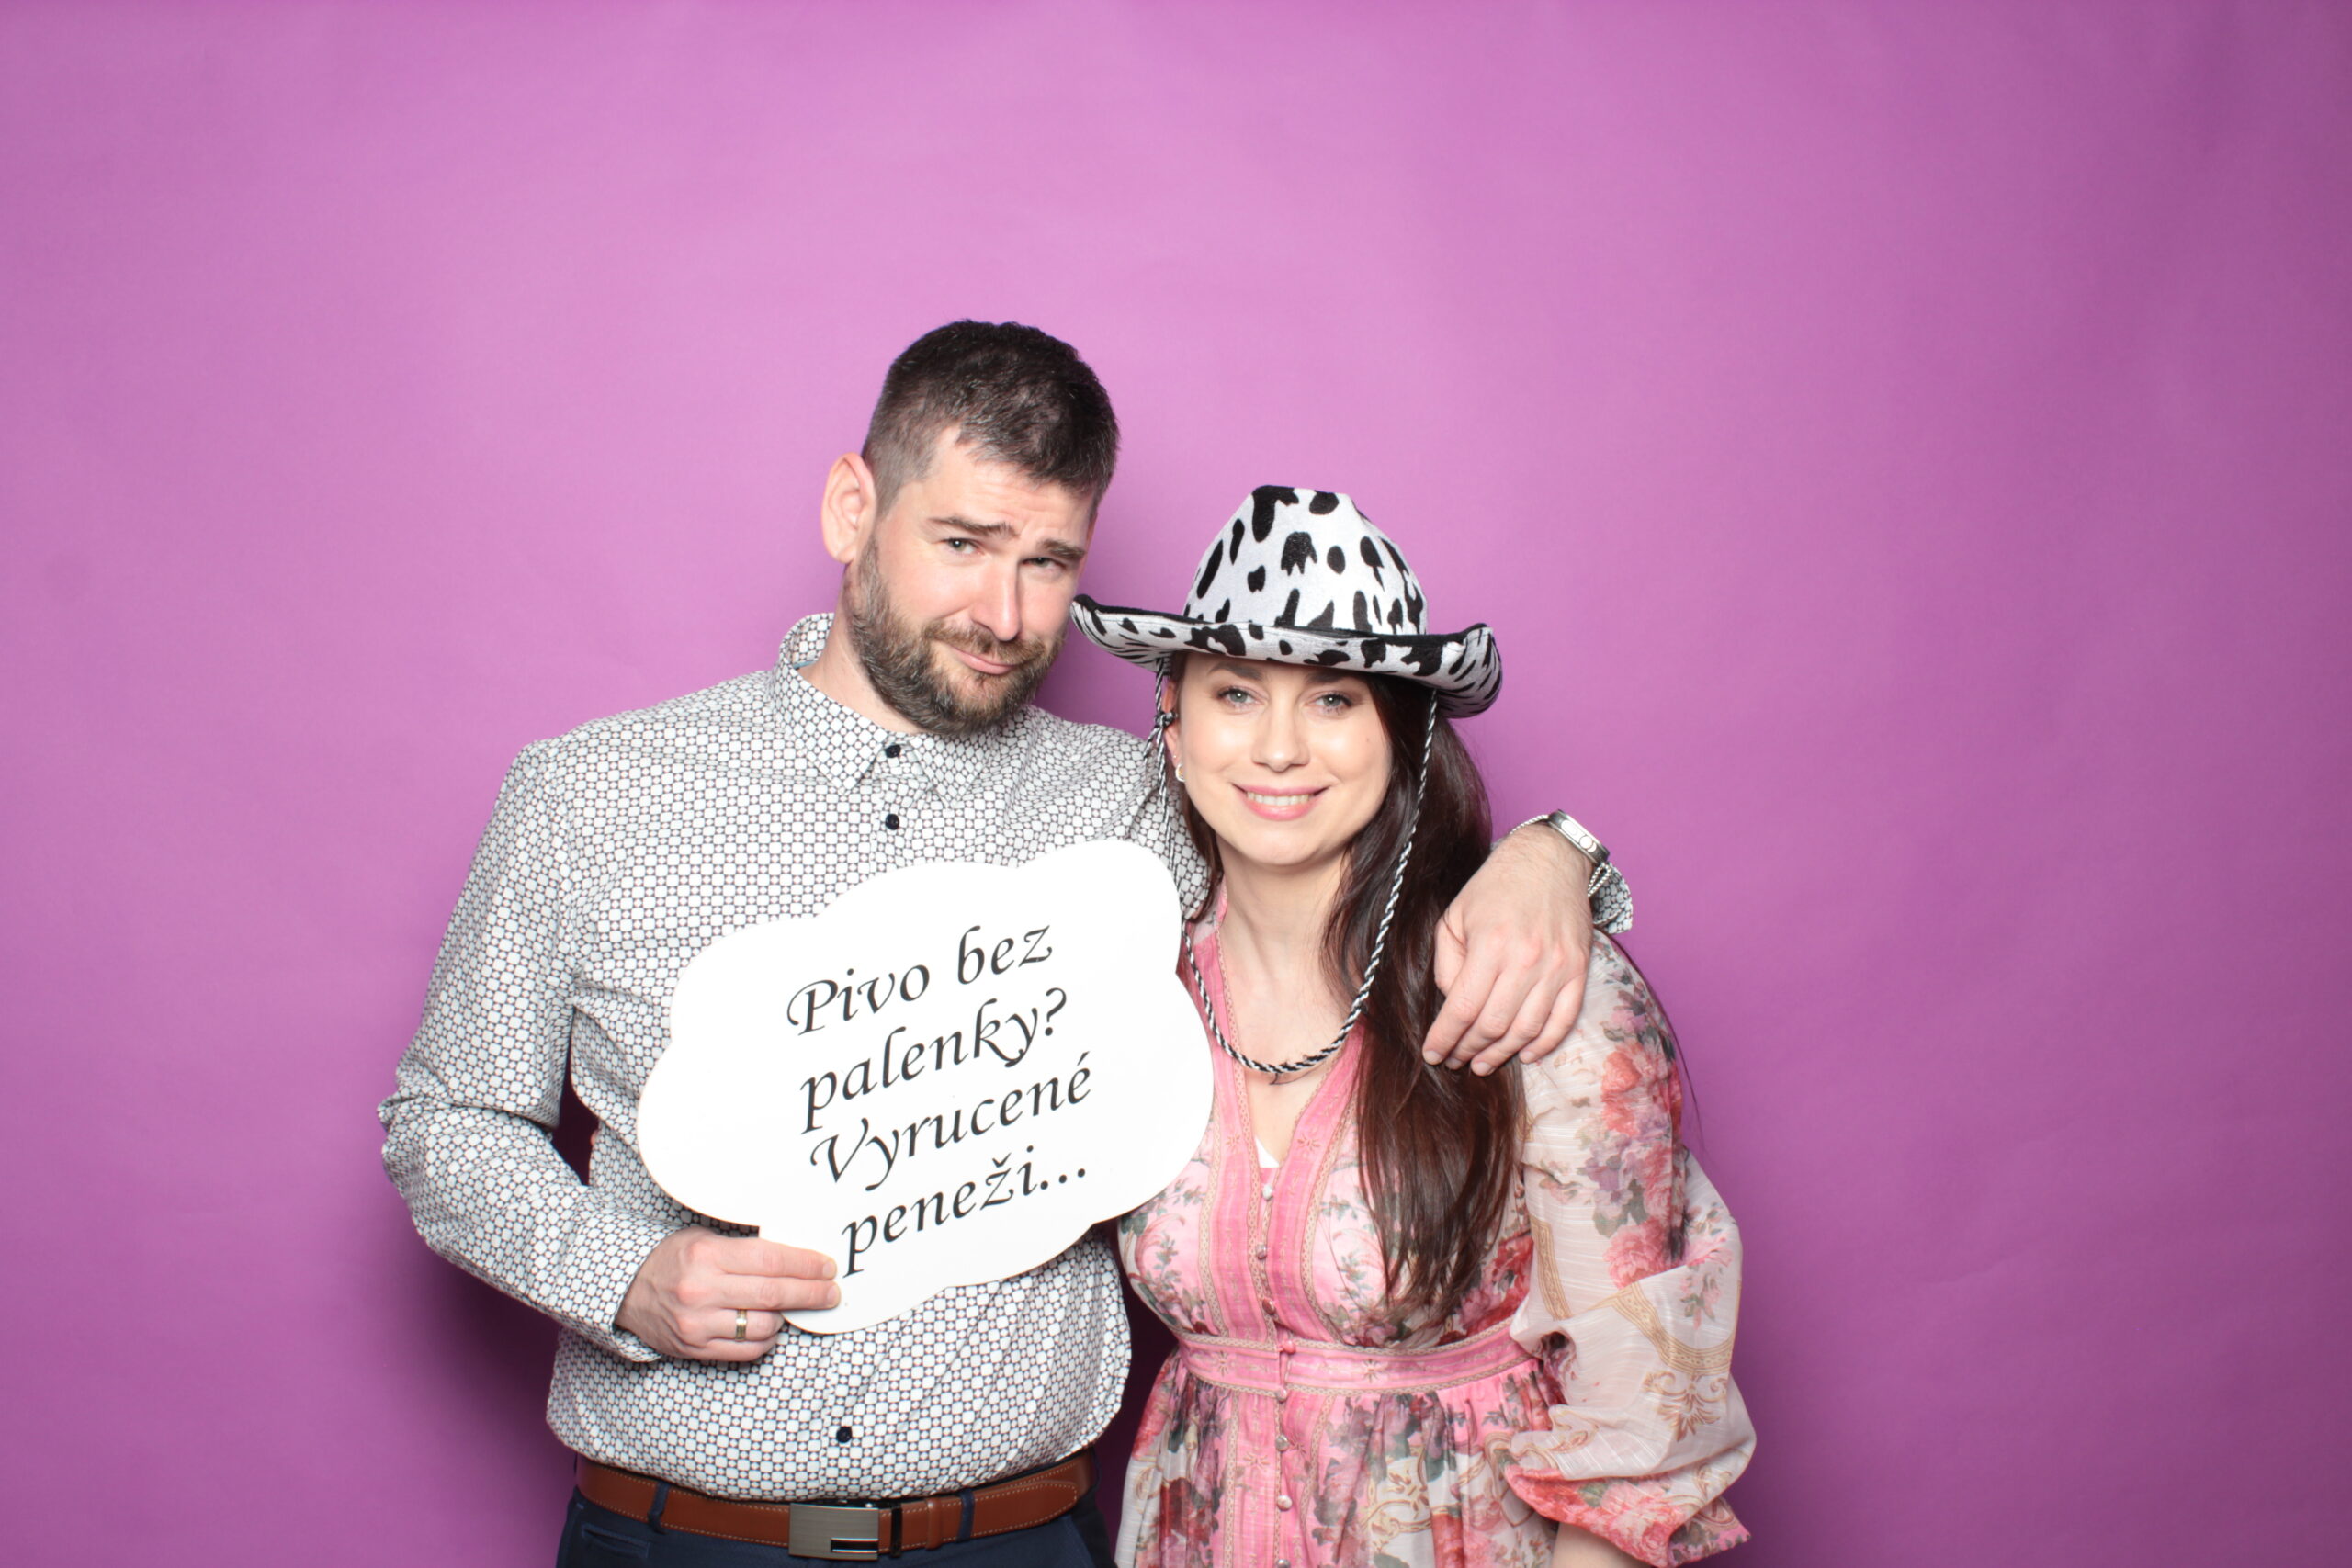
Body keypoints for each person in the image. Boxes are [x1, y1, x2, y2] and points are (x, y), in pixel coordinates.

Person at [380, 323, 1636, 1565]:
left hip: (1017, 1538)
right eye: (964, 544)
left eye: (1049, 562)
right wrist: (623, 1274)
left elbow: (1348, 832)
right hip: (685, 1535)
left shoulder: (1142, 801)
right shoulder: (590, 795)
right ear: (852, 507)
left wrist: (1556, 854)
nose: (1003, 612)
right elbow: (445, 1117)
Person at [1071, 488, 1752, 1568]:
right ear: (1174, 720)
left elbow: (1640, 1418)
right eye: (1236, 693)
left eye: (1333, 700)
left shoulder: (1522, 980)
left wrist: (1559, 851)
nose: (1278, 747)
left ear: (1403, 731)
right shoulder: (1126, 990)